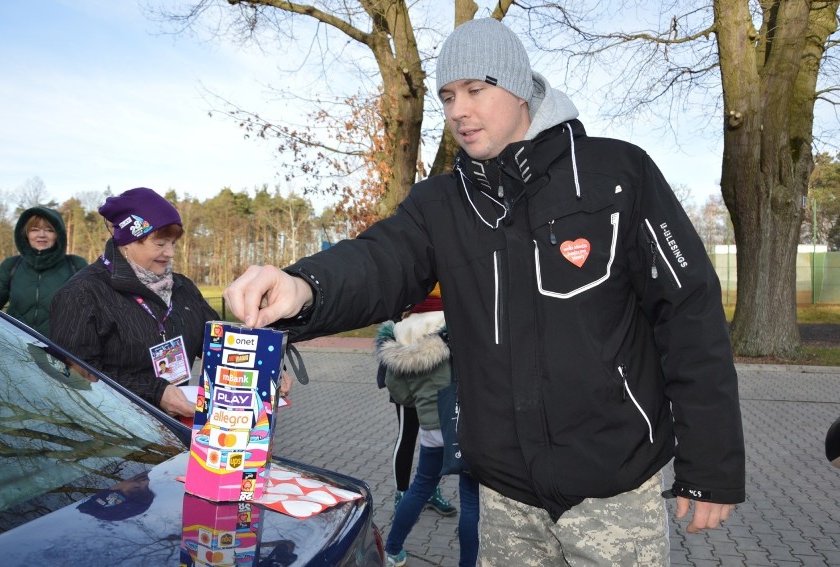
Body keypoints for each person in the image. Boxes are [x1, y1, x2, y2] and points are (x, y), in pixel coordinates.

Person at [223, 17, 745, 566]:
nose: (458, 111)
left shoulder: (617, 174)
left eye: (476, 89)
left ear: (520, 88)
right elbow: (381, 260)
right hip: (504, 499)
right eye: (448, 96)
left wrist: (710, 467)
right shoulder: (441, 203)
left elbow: (689, 314)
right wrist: (304, 286)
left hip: (613, 491)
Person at [51, 187, 219, 418]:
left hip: (179, 426)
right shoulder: (82, 294)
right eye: (160, 244)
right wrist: (154, 391)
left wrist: (265, 369)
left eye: (173, 243)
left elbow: (218, 342)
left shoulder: (183, 287)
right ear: (127, 241)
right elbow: (76, 374)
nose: (170, 253)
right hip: (117, 433)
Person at [377, 304, 479, 567]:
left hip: (431, 429)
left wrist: (423, 399)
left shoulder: (401, 336)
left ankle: (392, 550)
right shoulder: (457, 329)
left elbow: (400, 394)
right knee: (470, 499)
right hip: (465, 426)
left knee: (421, 487)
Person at [376, 285, 457, 518]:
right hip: (406, 358)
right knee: (407, 435)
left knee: (432, 437)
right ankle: (402, 492)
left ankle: (430, 490)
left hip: (438, 359)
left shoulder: (446, 270)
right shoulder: (411, 270)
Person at [0, 206, 87, 336]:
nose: (41, 235)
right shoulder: (11, 265)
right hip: (17, 349)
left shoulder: (76, 265)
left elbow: (95, 311)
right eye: (35, 229)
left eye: (49, 230)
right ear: (26, 234)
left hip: (61, 351)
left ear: (58, 235)